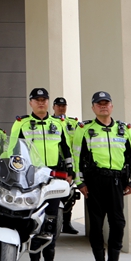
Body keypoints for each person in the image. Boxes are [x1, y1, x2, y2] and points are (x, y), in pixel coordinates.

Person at [73, 91, 131, 261]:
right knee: (96, 225)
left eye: (106, 103)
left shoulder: (123, 129)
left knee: (118, 223)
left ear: (112, 106)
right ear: (93, 107)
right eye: (99, 103)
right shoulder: (84, 129)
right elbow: (77, 156)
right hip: (94, 183)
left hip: (117, 182)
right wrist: (80, 182)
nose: (103, 106)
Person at [9, 88, 73, 261]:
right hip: (31, 177)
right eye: (37, 100)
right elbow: (12, 151)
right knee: (34, 220)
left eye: (44, 99)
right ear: (31, 103)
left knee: (51, 221)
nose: (41, 102)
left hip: (53, 177)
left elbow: (66, 150)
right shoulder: (21, 123)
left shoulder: (58, 123)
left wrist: (70, 173)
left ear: (48, 102)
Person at [52, 97, 80, 235]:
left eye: (63, 105)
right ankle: (52, 222)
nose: (61, 108)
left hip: (70, 163)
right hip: (55, 163)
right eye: (58, 105)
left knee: (70, 194)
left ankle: (66, 223)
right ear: (54, 107)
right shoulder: (50, 122)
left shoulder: (73, 123)